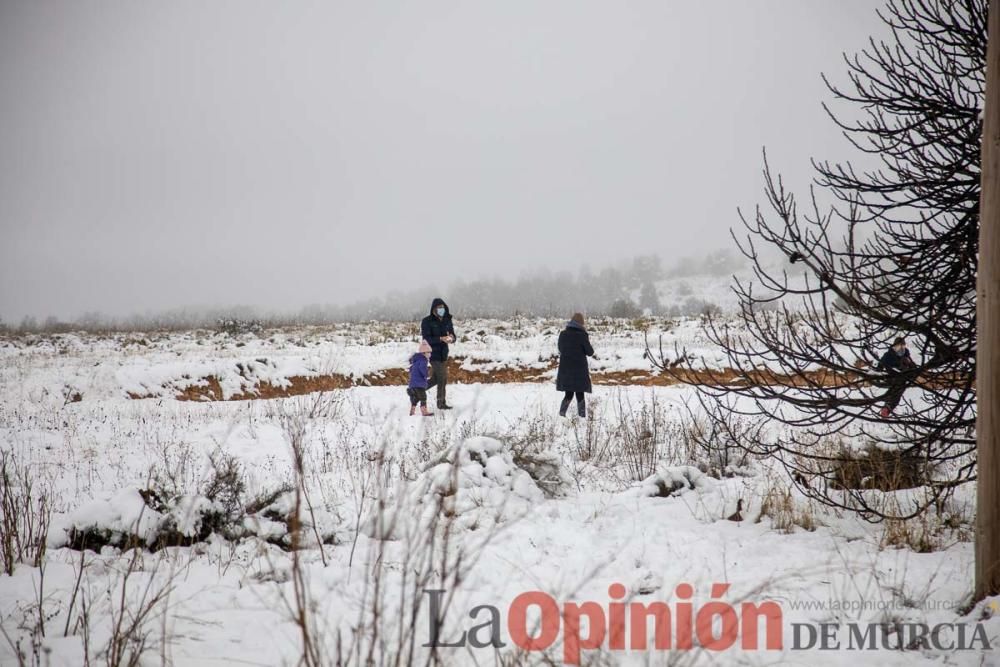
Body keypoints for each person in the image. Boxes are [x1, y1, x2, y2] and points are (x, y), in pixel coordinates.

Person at [556, 313, 597, 417]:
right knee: (580, 394)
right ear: (581, 323)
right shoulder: (582, 335)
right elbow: (590, 352)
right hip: (579, 370)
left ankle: (562, 414)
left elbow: (560, 348)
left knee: (568, 394)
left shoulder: (563, 334)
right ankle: (581, 416)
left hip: (566, 369)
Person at [421, 297, 456, 410]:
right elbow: (426, 339)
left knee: (435, 379)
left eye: (443, 307)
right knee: (442, 377)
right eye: (439, 307)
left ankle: (417, 391)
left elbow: (453, 334)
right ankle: (441, 403)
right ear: (434, 309)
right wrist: (440, 339)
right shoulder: (427, 321)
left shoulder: (447, 320)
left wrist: (452, 338)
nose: (442, 309)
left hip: (443, 353)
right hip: (432, 353)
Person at [878, 336, 916, 417]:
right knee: (896, 390)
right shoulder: (888, 355)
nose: (901, 348)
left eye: (903, 346)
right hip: (892, 376)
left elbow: (913, 366)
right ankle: (887, 408)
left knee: (898, 392)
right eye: (899, 346)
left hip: (903, 376)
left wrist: (912, 370)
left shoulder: (906, 355)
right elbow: (880, 365)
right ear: (895, 346)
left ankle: (888, 409)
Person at [407, 340, 434, 416]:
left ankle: (412, 410)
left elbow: (411, 370)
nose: (430, 354)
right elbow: (423, 370)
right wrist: (426, 374)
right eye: (428, 352)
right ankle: (424, 411)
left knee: (416, 397)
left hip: (413, 383)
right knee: (423, 397)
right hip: (419, 383)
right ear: (424, 353)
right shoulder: (423, 360)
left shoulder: (416, 360)